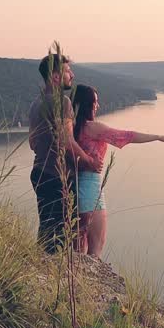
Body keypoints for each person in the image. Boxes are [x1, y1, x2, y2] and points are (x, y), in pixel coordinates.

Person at [71, 84, 164, 258]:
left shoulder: (72, 129)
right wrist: (159, 137)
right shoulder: (93, 128)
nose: (97, 106)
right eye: (95, 102)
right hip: (91, 191)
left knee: (77, 251)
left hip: (74, 190)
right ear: (87, 104)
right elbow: (126, 136)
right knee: (95, 250)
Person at [28, 52, 103, 253]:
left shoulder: (36, 103)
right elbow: (66, 140)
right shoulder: (63, 103)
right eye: (68, 71)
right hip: (56, 175)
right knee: (58, 236)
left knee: (47, 229)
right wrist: (89, 161)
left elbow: (32, 143)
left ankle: (40, 271)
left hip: (39, 173)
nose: (73, 75)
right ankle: (50, 278)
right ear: (55, 77)